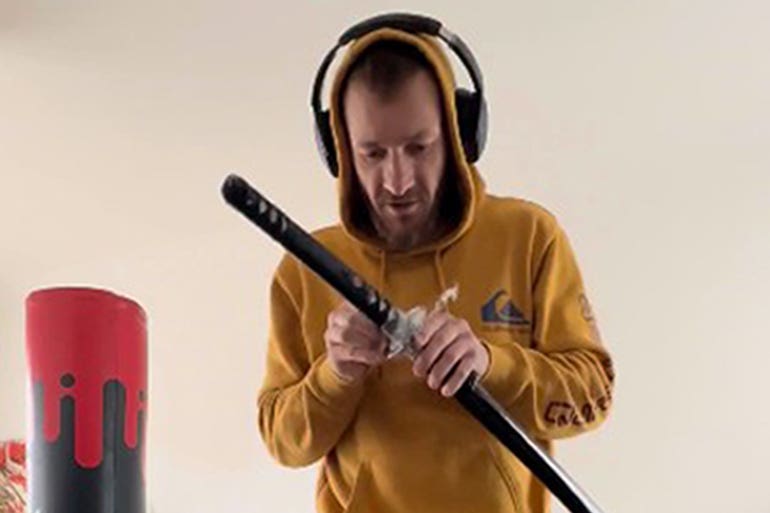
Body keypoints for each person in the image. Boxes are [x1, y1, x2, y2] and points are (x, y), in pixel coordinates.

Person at [257, 13, 614, 513]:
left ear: (458, 133)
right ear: (339, 150)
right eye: (373, 153)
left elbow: (591, 396)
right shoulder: (304, 269)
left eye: (419, 147)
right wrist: (334, 374)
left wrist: (493, 364)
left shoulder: (529, 236)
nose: (398, 180)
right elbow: (284, 441)